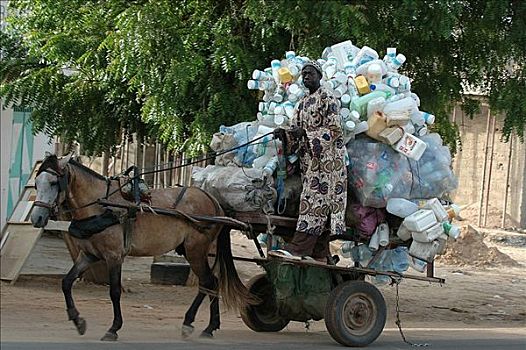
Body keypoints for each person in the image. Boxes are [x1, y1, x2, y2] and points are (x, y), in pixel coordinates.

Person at [271, 61, 347, 261]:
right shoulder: (302, 103)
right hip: (309, 165)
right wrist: (285, 134)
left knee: (313, 204)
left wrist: (306, 133)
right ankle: (320, 253)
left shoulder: (327, 98)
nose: (306, 76)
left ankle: (298, 248)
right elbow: (295, 131)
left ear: (319, 76)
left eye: (310, 73)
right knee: (311, 203)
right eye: (303, 74)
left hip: (328, 165)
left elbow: (334, 129)